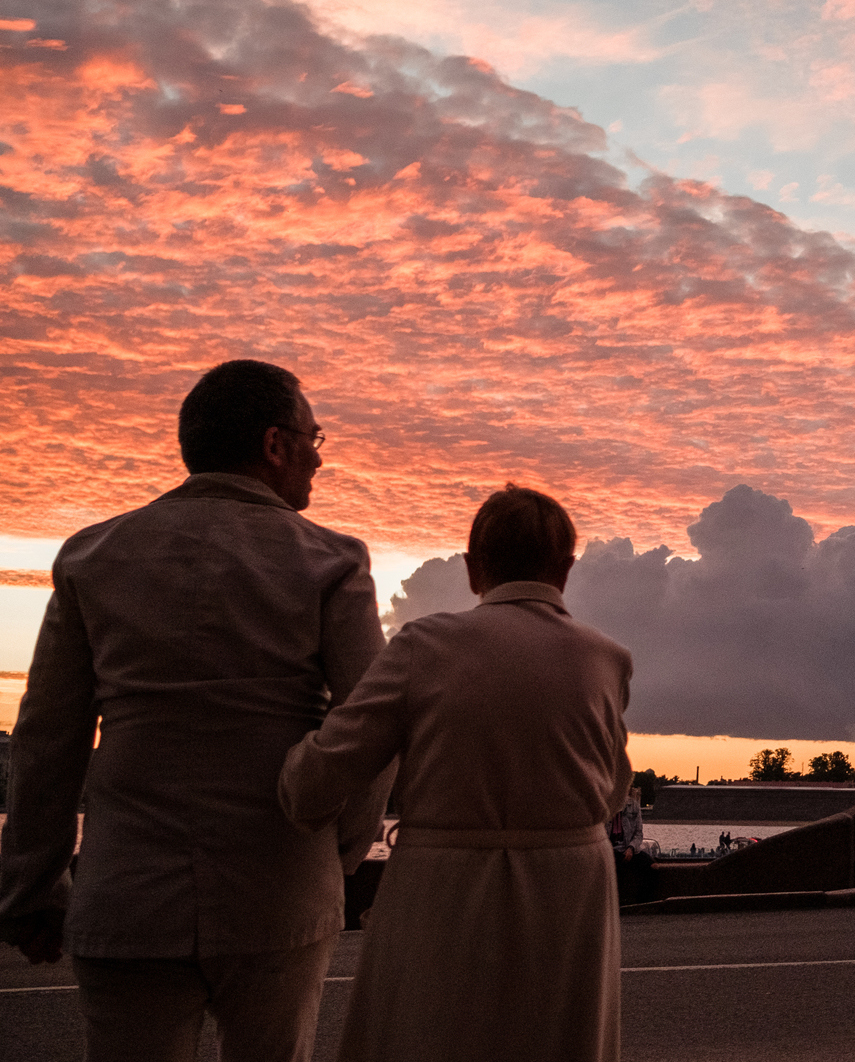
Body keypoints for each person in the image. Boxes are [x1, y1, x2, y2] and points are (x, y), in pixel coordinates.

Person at [0, 359, 392, 1061]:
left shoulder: (93, 556)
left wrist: (33, 885)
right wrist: (334, 856)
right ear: (276, 444)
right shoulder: (332, 562)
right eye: (315, 437)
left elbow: (47, 740)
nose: (320, 458)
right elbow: (367, 731)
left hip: (128, 896)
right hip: (279, 890)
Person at [279, 485, 633, 1062]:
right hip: (570, 891)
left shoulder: (426, 645)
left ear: (473, 567)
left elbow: (325, 772)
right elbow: (613, 787)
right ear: (566, 569)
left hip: (443, 887)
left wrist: (290, 767)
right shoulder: (606, 658)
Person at [608, 794, 658, 904]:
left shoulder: (633, 805)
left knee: (652, 866)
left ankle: (643, 902)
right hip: (610, 850)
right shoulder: (604, 804)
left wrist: (631, 848)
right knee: (617, 868)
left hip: (630, 849)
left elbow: (638, 833)